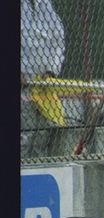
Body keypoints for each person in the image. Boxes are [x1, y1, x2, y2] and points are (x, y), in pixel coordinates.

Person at [21, 0, 66, 159]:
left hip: (43, 83)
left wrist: (51, 70)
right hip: (23, 82)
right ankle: (23, 166)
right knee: (26, 132)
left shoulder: (46, 6)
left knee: (42, 132)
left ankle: (38, 166)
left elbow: (59, 41)